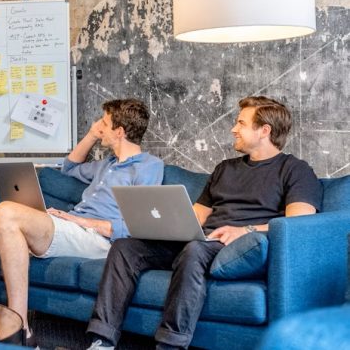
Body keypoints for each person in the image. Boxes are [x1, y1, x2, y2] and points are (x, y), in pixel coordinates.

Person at [85, 96, 322, 350]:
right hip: (203, 240)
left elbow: (299, 222)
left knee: (195, 249)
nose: (233, 129)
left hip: (240, 246)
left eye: (241, 123)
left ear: (264, 131)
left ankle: (170, 344)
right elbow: (197, 216)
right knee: (125, 247)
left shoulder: (295, 169)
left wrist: (245, 230)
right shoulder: (225, 169)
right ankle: (102, 340)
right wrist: (166, 226)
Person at [0, 98, 164, 345]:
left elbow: (137, 226)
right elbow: (68, 167)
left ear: (119, 132)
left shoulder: (149, 167)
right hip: (72, 228)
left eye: (104, 123)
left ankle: (21, 328)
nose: (99, 126)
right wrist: (90, 135)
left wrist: (83, 221)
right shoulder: (106, 165)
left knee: (8, 213)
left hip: (97, 239)